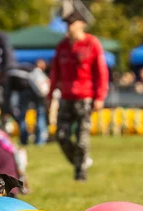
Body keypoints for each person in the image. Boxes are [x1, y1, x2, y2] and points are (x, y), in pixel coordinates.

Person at [50, 1, 109, 181]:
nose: (69, 27)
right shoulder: (62, 46)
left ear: (81, 23)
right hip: (66, 97)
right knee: (61, 136)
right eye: (67, 24)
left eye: (72, 23)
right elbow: (55, 73)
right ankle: (81, 161)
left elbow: (101, 72)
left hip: (85, 97)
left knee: (82, 139)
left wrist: (99, 97)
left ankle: (80, 173)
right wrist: (51, 93)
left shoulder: (92, 44)